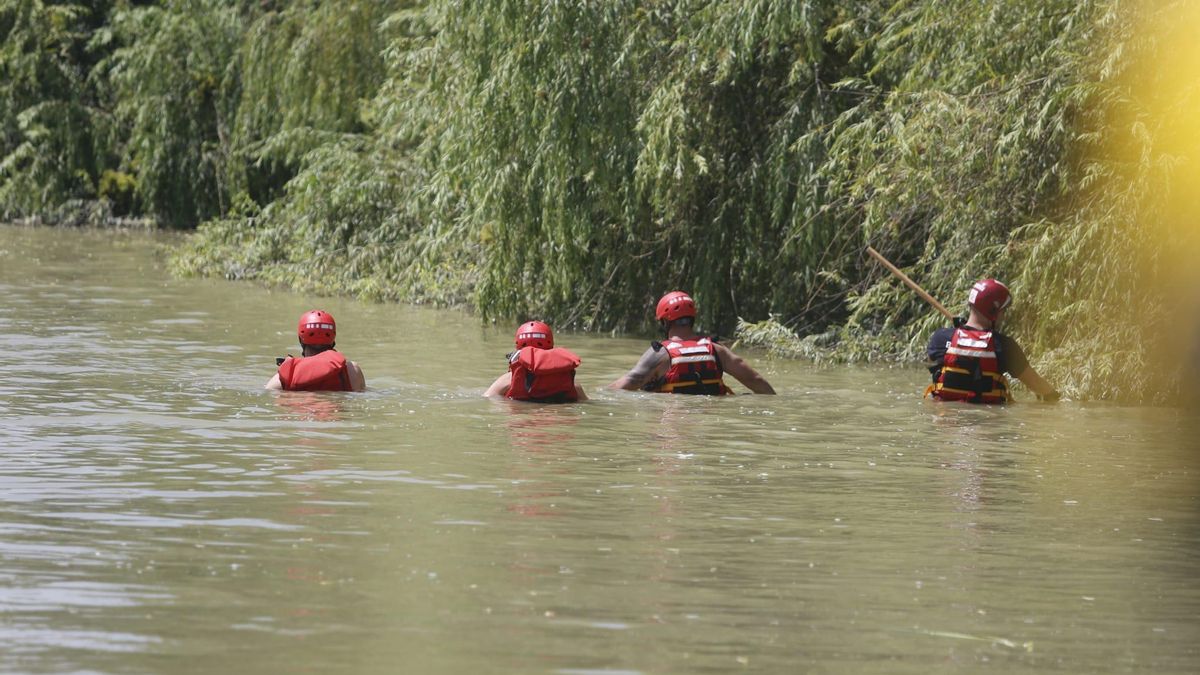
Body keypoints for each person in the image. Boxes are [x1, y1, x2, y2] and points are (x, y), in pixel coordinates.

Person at [610, 291, 776, 395]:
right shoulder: (717, 349)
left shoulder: (660, 353)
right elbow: (754, 379)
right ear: (692, 319)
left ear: (664, 322)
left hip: (674, 421)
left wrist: (600, 393)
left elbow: (630, 382)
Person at [926, 279, 1059, 403]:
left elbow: (937, 368)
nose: (1004, 316)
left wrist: (961, 330)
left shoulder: (940, 338)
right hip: (989, 424)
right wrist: (1055, 396)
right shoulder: (1005, 346)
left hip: (945, 424)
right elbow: (1036, 384)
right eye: (1003, 311)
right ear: (993, 311)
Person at [485, 321, 587, 402]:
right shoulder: (570, 381)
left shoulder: (509, 379)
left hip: (523, 420)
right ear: (550, 345)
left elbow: (486, 398)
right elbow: (587, 402)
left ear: (518, 346)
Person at [266, 310, 366, 392]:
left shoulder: (285, 377)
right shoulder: (352, 371)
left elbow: (268, 391)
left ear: (301, 340)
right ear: (333, 339)